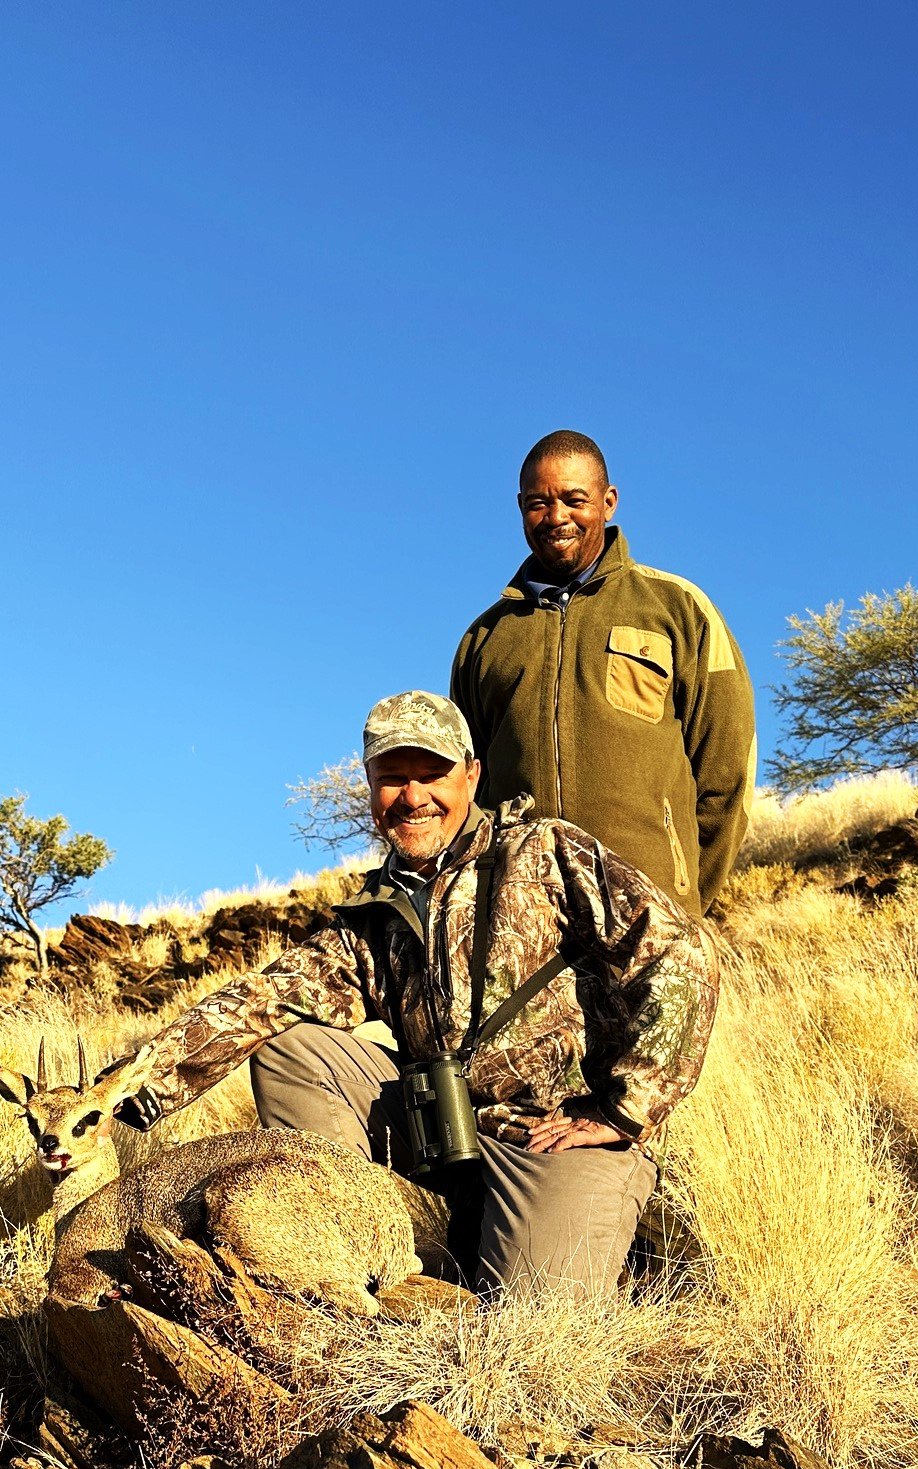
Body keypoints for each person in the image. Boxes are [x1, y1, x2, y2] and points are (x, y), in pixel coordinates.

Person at [113, 691, 718, 1300]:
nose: (413, 796)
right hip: (440, 1135)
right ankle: (350, 1247)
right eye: (392, 777)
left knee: (536, 1332)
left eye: (433, 775)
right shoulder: (370, 911)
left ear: (473, 775)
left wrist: (622, 1108)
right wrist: (120, 1091)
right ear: (370, 783)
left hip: (551, 1135)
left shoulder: (546, 851)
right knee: (292, 1049)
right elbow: (259, 1001)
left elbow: (677, 950)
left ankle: (626, 1236)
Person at [450, 429, 756, 916]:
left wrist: (685, 897)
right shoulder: (484, 639)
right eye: (537, 503)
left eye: (575, 499)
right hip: (524, 922)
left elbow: (726, 770)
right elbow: (463, 790)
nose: (556, 518)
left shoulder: (678, 609)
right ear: (519, 507)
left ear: (608, 502)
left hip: (653, 915)